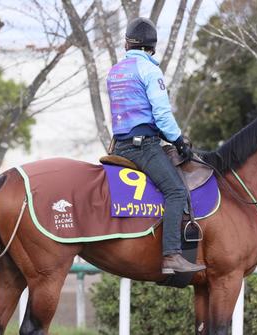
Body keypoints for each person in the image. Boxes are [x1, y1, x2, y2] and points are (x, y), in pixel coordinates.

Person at [107, 17, 206, 275]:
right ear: (152, 46)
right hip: (143, 148)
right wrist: (179, 140)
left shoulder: (115, 71)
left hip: (119, 147)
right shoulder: (150, 71)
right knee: (175, 191)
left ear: (126, 43)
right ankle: (171, 255)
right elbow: (161, 115)